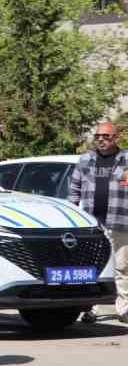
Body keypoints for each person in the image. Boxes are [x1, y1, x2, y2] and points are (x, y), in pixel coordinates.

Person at [67, 118, 128, 322]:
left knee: (121, 267)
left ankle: (123, 308)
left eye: (106, 136)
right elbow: (74, 190)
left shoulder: (126, 159)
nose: (101, 140)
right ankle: (90, 308)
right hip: (92, 223)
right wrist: (71, 216)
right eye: (98, 136)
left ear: (115, 137)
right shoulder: (85, 160)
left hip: (120, 221)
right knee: (90, 268)